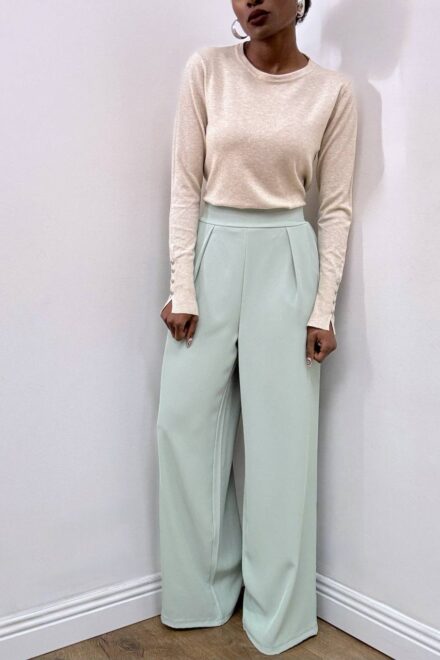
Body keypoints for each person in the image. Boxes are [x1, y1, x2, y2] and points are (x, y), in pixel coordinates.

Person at [156, 0, 358, 655]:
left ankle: (278, 613)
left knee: (283, 447)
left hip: (287, 259)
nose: (252, 1)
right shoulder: (206, 70)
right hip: (212, 250)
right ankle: (199, 595)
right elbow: (185, 186)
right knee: (183, 426)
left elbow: (335, 208)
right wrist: (182, 285)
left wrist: (322, 308)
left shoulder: (332, 92)